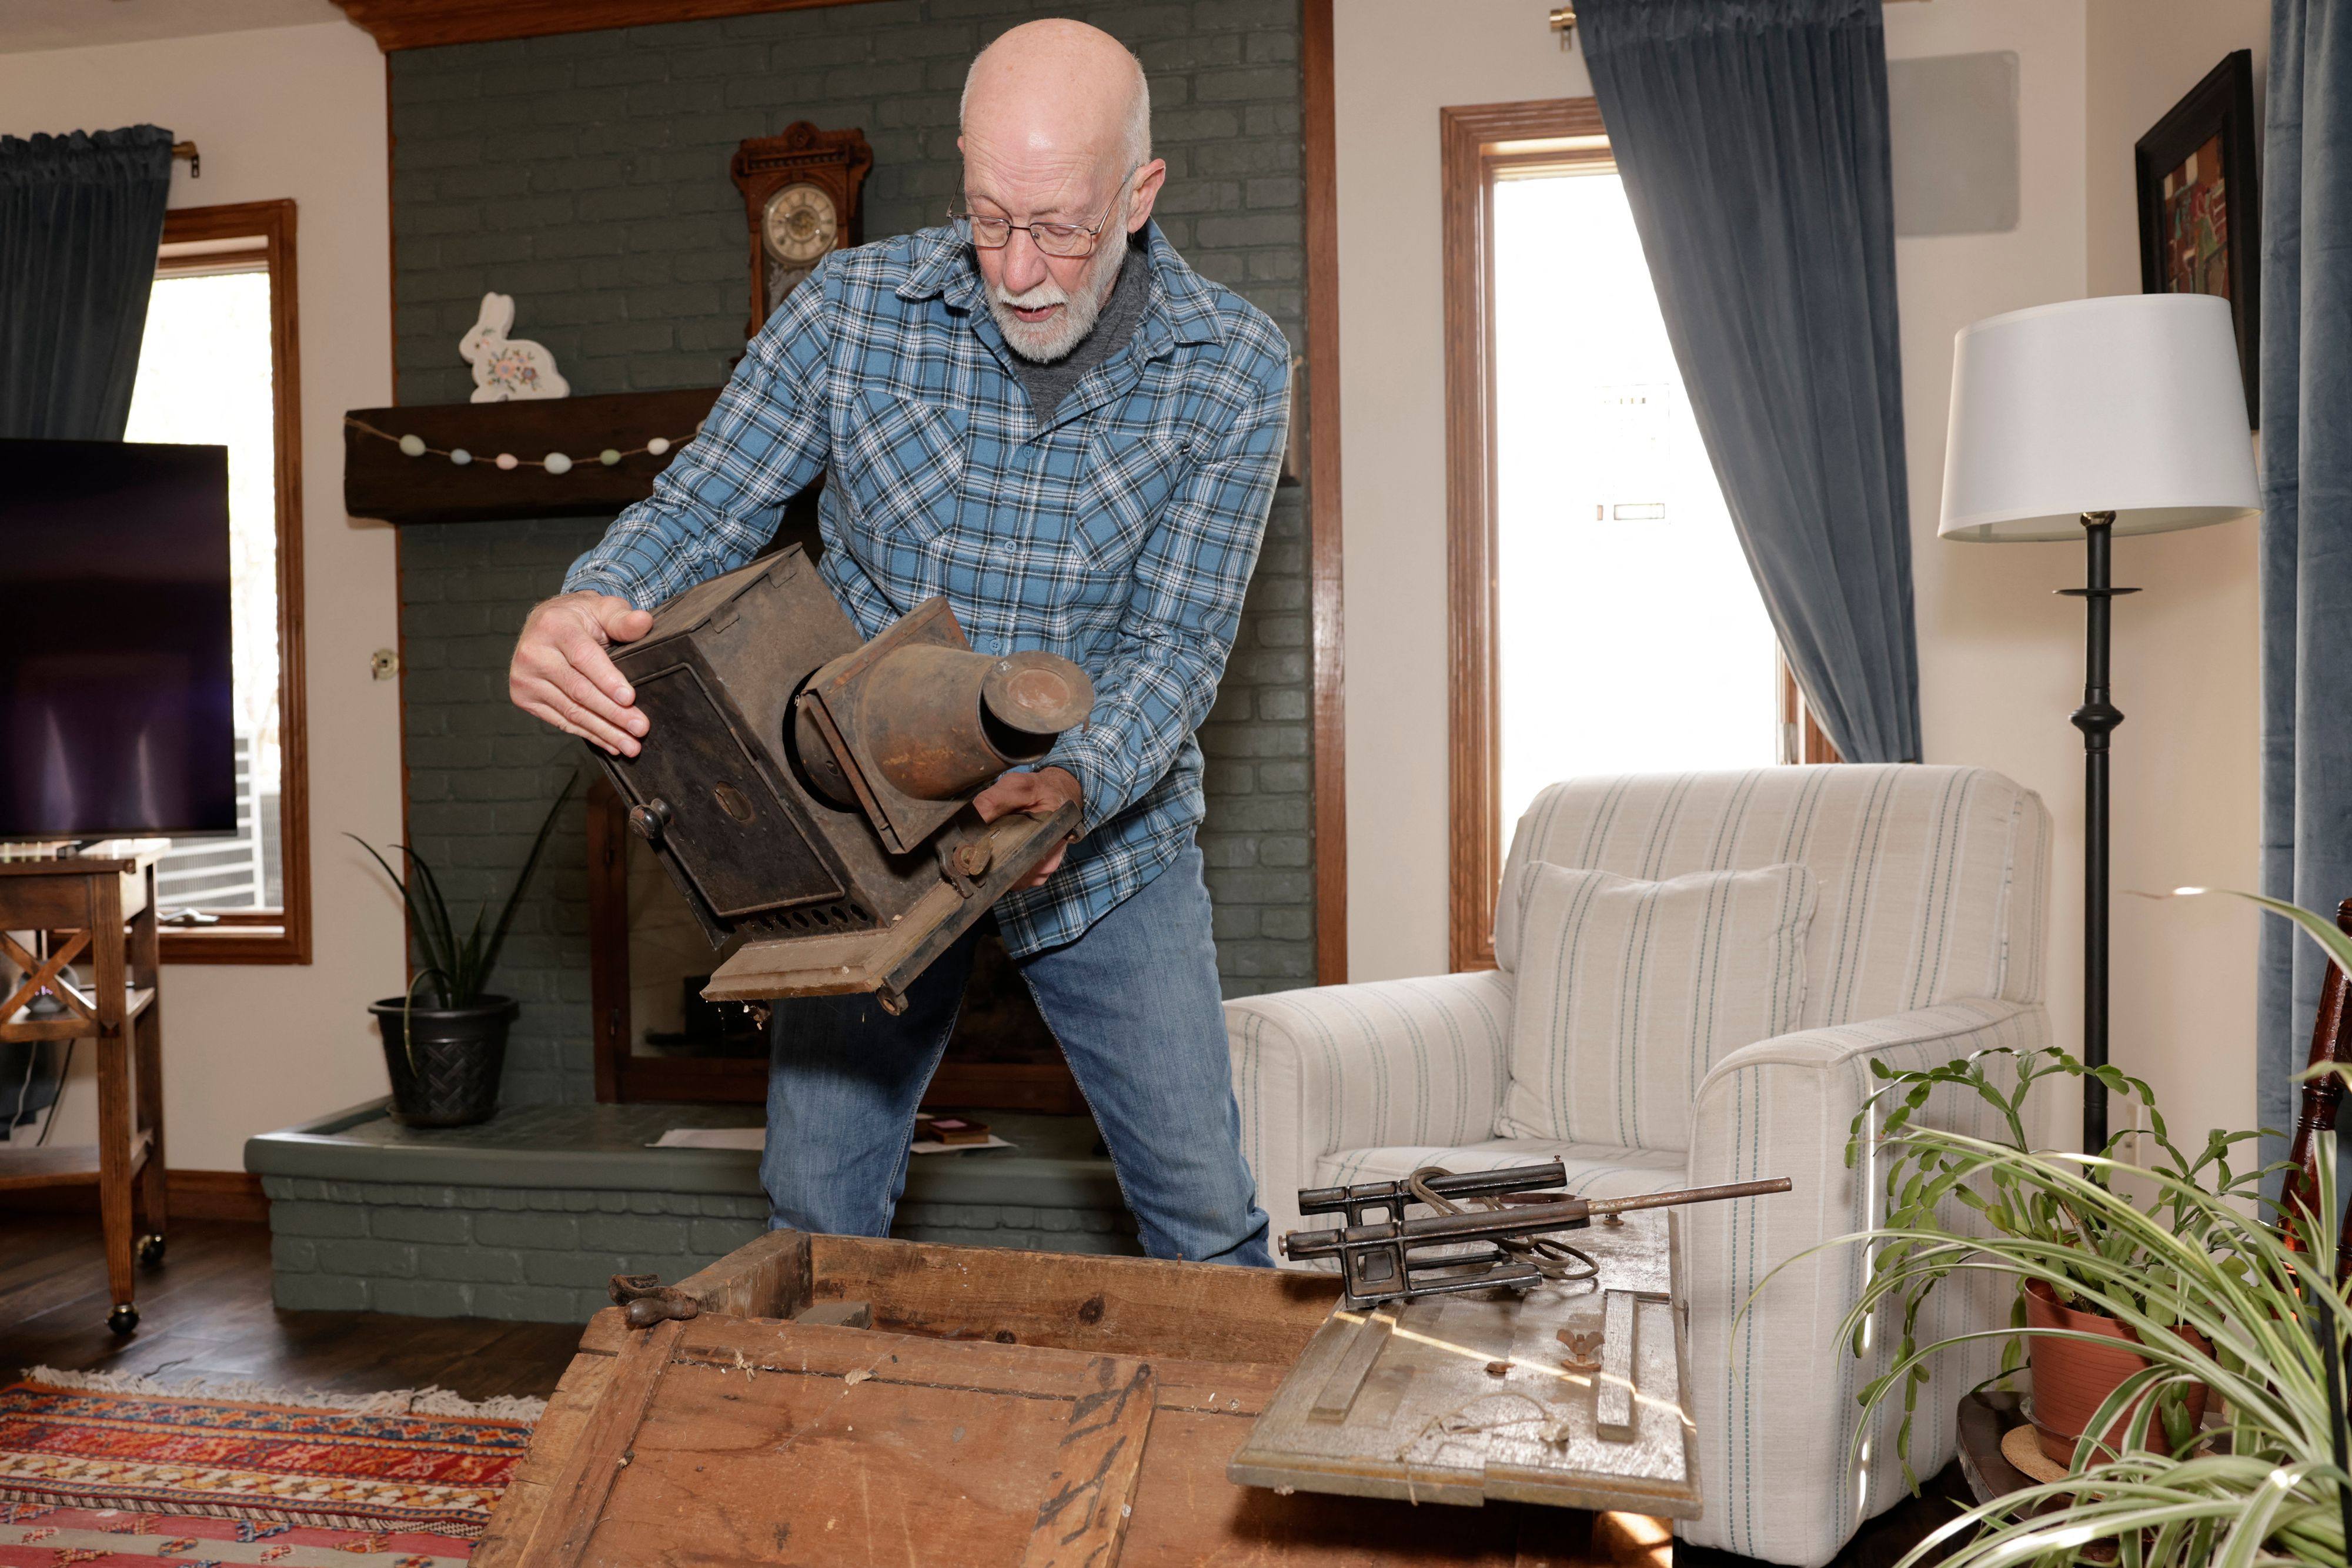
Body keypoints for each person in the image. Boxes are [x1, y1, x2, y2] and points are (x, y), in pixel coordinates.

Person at [506, 18, 1285, 1266]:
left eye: (1061, 228)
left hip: (1103, 848)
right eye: (988, 219)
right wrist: (586, 599)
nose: (1020, 268)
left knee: (1204, 1217)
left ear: (1138, 195)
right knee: (814, 1212)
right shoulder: (851, 308)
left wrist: (1069, 781)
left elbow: (1177, 645)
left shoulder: (1232, 365)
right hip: (859, 842)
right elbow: (706, 504)